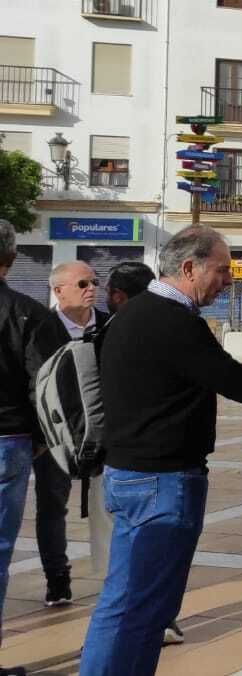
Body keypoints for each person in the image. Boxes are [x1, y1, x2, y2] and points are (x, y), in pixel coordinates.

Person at [80, 225, 242, 675]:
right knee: (148, 607)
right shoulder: (176, 322)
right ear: (189, 267)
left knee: (123, 600)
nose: (229, 280)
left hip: (128, 475)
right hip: (163, 483)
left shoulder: (129, 315)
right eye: (221, 269)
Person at [99, 261, 185, 648]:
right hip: (149, 468)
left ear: (118, 295)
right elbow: (239, 384)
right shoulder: (163, 324)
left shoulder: (111, 329)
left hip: (120, 463)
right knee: (134, 586)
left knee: (122, 579)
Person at [32, 261, 108, 609]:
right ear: (58, 290)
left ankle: (114, 577)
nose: (91, 287)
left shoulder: (111, 325)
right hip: (56, 438)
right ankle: (57, 579)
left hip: (106, 435)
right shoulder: (40, 328)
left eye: (94, 281)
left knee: (109, 510)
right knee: (52, 506)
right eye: (82, 282)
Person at [0, 222, 56, 676]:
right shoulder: (26, 313)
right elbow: (47, 389)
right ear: (12, 258)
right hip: (9, 442)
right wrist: (39, 442)